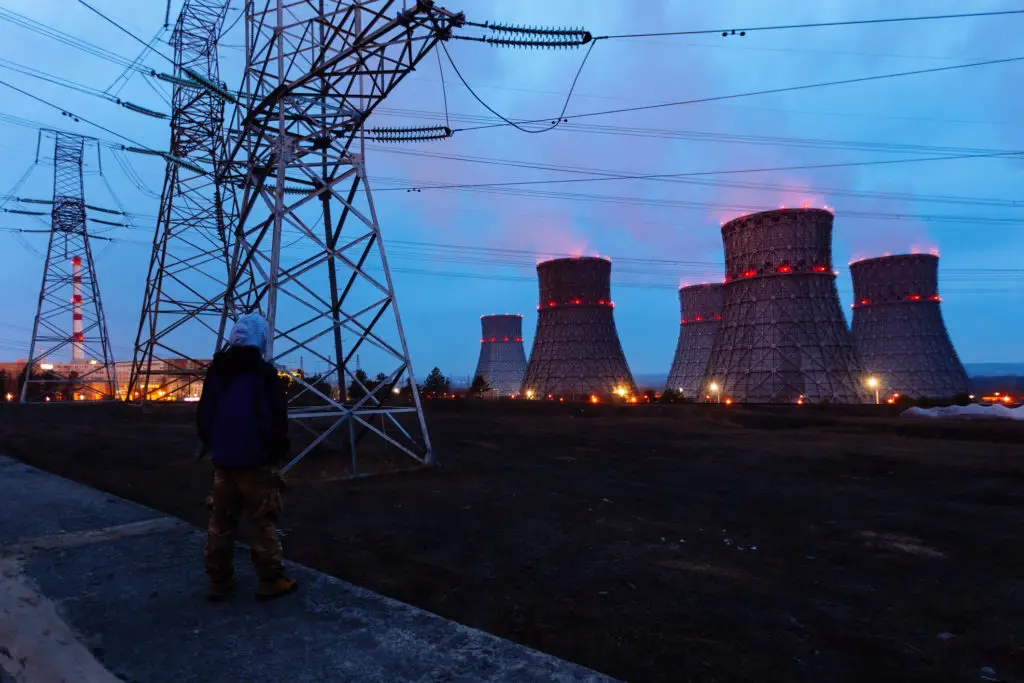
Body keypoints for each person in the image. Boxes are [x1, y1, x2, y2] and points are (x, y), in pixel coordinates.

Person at [197, 312, 297, 602]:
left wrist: (213, 444)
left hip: (224, 461)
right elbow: (277, 421)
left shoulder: (218, 371)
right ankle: (270, 580)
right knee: (263, 522)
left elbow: (204, 414)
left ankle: (219, 581)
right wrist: (276, 451)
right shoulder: (264, 375)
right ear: (261, 339)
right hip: (258, 464)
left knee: (221, 523)